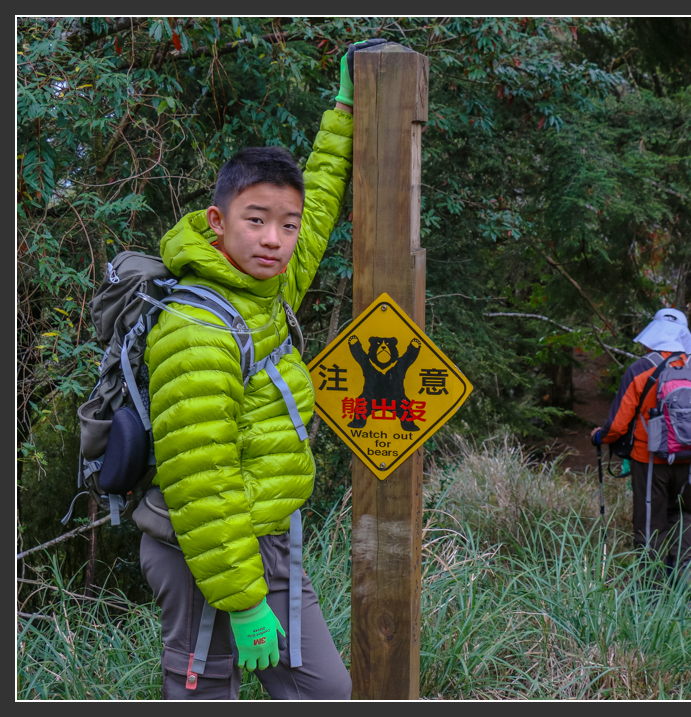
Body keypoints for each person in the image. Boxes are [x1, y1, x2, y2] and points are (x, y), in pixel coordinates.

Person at [139, 40, 386, 700]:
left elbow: (323, 200)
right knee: (202, 691)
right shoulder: (196, 329)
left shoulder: (266, 294)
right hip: (200, 550)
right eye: (256, 220)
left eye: (286, 223)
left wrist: (344, 108)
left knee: (327, 692)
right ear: (218, 223)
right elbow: (202, 479)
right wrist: (245, 602)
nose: (275, 239)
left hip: (270, 543)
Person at [591, 308, 691, 587]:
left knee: (650, 524)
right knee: (685, 517)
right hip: (689, 461)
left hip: (648, 461)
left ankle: (652, 594)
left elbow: (617, 426)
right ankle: (685, 584)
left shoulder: (640, 369)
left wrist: (600, 437)